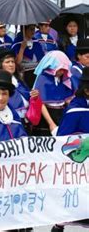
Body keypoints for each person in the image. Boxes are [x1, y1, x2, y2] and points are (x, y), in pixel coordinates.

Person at [54, 67, 89, 232]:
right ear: (87, 91)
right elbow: (62, 141)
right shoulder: (75, 111)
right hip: (78, 166)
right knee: (68, 212)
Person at [32, 51, 73, 136]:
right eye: (60, 69)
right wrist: (51, 123)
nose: (62, 72)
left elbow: (66, 99)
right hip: (47, 116)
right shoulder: (43, 78)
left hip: (60, 114)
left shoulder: (62, 80)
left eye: (64, 70)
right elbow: (41, 103)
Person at [0, 49, 39, 124]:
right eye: (7, 62)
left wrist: (34, 95)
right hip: (10, 120)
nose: (11, 64)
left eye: (12, 62)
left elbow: (27, 95)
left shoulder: (19, 81)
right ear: (0, 65)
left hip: (26, 120)